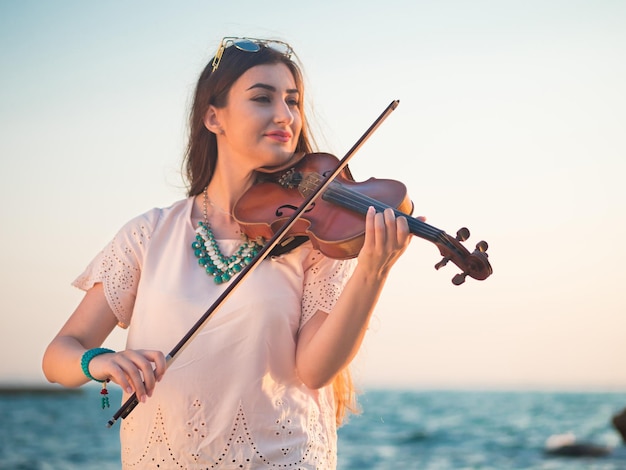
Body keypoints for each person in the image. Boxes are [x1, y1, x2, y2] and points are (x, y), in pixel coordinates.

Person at [42, 37, 412, 469]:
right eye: (262, 98)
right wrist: (100, 361)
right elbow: (58, 357)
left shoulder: (313, 239)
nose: (285, 115)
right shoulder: (148, 235)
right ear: (212, 117)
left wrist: (373, 271)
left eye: (293, 101)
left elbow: (315, 370)